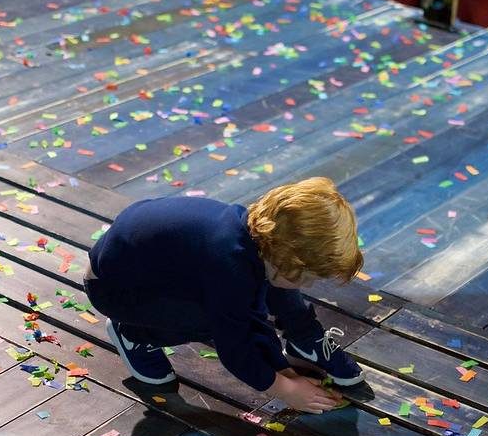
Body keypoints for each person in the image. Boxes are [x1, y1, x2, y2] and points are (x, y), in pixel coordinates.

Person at [84, 177, 365, 414]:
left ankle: (304, 339)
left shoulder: (255, 235)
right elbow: (234, 347)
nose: (311, 285)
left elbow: (262, 297)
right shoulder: (230, 268)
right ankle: (133, 335)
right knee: (213, 320)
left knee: (274, 286)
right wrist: (286, 388)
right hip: (114, 289)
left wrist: (285, 368)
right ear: (285, 258)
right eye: (310, 277)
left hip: (147, 266)